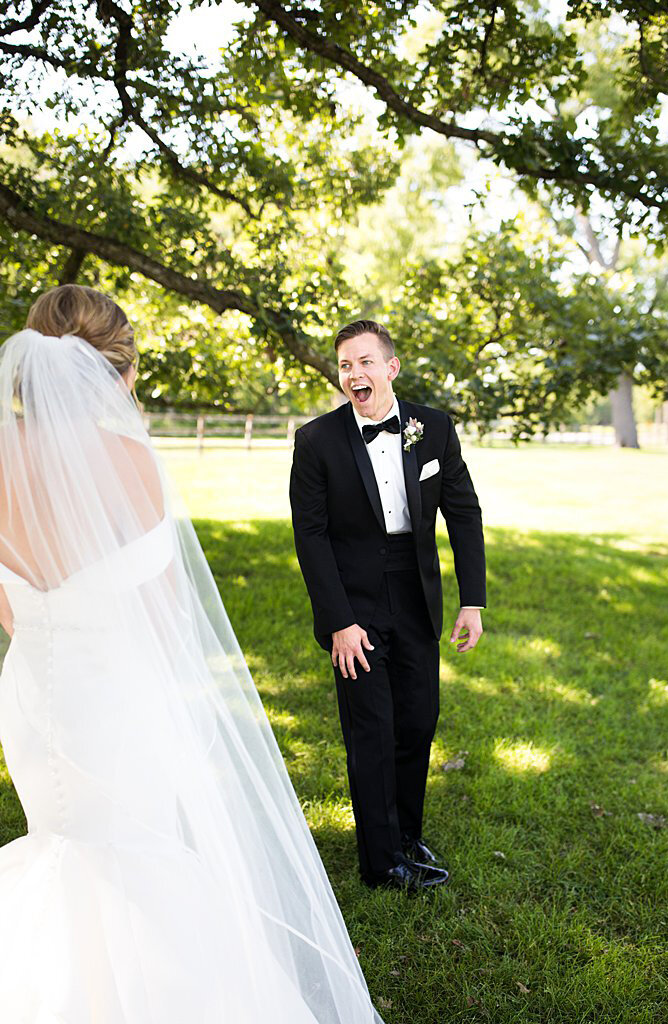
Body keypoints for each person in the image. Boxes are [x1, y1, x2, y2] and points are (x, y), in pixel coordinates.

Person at [0, 284, 384, 1022]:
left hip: (31, 700)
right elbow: (167, 613)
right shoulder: (131, 460)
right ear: (122, 370)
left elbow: (11, 612)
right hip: (115, 698)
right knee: (130, 858)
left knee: (59, 846)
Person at [289, 319, 486, 890]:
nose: (354, 374)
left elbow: (464, 512)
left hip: (416, 591)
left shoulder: (433, 428)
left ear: (391, 368)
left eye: (365, 362)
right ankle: (380, 863)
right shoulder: (317, 441)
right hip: (353, 601)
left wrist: (471, 600)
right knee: (371, 729)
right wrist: (338, 623)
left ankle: (405, 834)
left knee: (418, 720)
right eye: (345, 365)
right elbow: (312, 538)